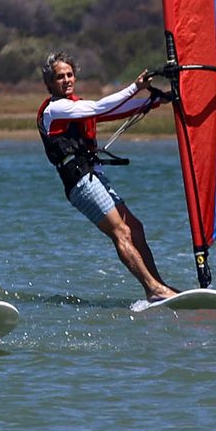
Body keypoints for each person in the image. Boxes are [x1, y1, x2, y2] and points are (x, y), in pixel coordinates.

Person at [37, 52, 177, 302]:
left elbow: (113, 112)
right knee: (121, 231)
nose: (66, 80)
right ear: (49, 83)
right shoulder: (55, 109)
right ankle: (152, 289)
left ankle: (160, 286)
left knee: (135, 228)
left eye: (70, 75)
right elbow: (100, 106)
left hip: (92, 176)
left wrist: (158, 100)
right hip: (79, 182)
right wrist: (135, 87)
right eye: (60, 77)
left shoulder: (74, 106)